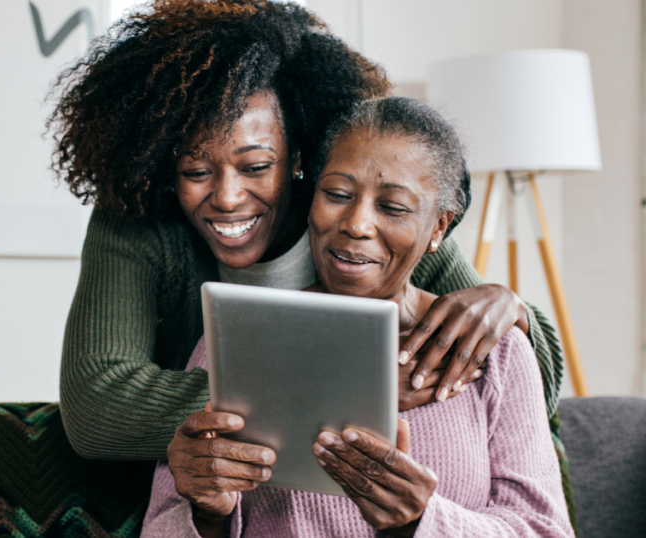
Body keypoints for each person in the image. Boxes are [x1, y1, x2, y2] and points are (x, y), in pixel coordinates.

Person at [50, 0, 564, 465]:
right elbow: (97, 409)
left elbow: (531, 386)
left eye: (256, 167)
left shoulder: (364, 219)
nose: (227, 197)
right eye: (196, 171)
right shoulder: (138, 218)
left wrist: (511, 309)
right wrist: (348, 389)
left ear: (298, 157)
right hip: (207, 488)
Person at [143, 97, 574, 538]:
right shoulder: (235, 336)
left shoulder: (497, 352)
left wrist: (422, 523)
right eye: (337, 195)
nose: (356, 224)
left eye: (392, 208)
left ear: (439, 228)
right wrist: (206, 516)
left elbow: (545, 531)